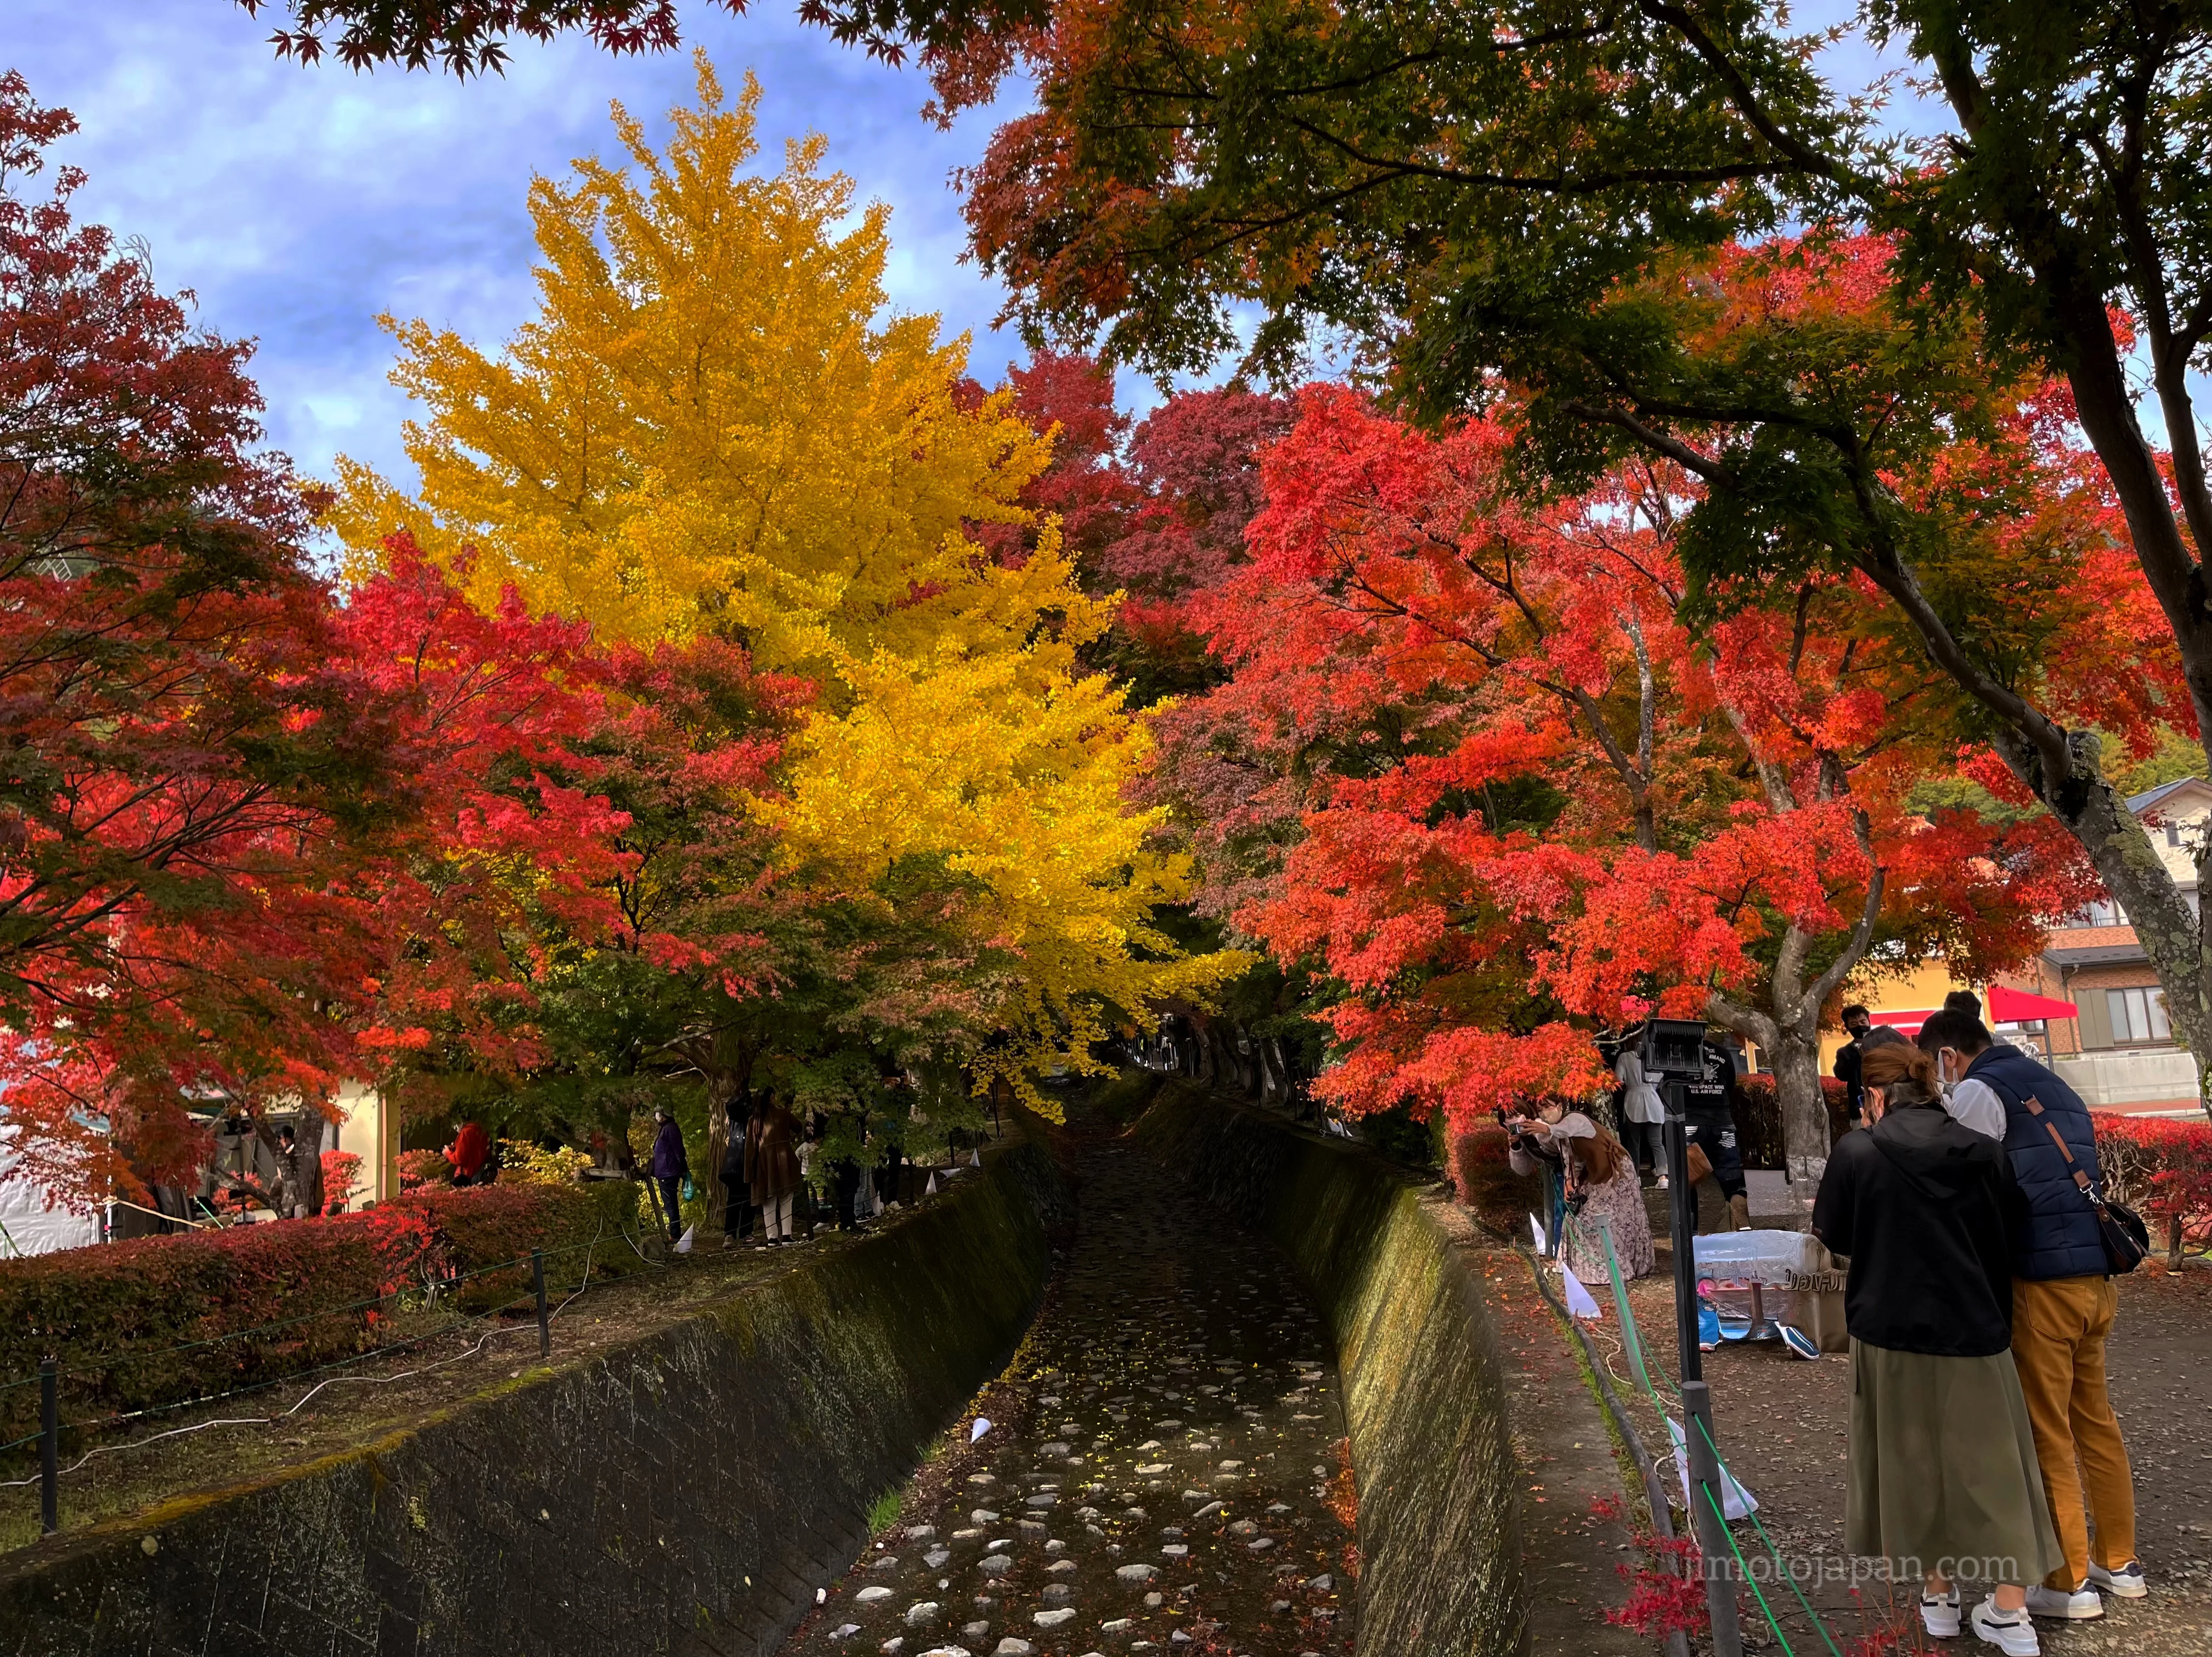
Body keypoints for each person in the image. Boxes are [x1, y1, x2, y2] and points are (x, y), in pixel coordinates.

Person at [1811, 1041, 2061, 1654]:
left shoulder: (1857, 1151)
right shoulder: (1985, 1151)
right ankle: (2010, 1611)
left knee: (1910, 1464)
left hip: (1888, 1332)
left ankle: (1939, 1594)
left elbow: (1836, 1236)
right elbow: (2013, 1227)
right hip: (1977, 1328)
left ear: (1874, 1096)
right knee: (1997, 1469)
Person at [1915, 1008, 2144, 1620]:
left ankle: (2068, 1581)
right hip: (2095, 1277)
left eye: (1935, 1067)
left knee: (2047, 1431)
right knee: (2095, 1421)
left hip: (2040, 1283)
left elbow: (1963, 1182)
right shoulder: (2056, 1084)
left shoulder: (1978, 1091)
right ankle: (2119, 1560)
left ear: (1947, 1056)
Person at [1556, 1123, 1656, 1283]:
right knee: (1574, 1216)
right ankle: (1579, 1267)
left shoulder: (1605, 1155)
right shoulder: (1580, 1149)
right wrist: (1572, 1182)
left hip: (1615, 1179)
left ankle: (1611, 1269)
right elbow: (1577, 1164)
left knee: (1596, 1220)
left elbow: (1600, 1180)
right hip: (1596, 1177)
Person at [1683, 1036, 1749, 1232]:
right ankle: (1741, 1225)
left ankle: (1691, 1230)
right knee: (1732, 1179)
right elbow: (1730, 1085)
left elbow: (1669, 1088)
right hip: (1723, 1122)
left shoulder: (1680, 1054)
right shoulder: (1724, 1053)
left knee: (1688, 1179)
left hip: (1692, 1123)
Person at [745, 1096, 803, 1245]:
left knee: (768, 1200)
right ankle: (787, 1235)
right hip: (784, 1161)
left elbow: (750, 1149)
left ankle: (772, 1237)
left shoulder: (755, 1119)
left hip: (764, 1164)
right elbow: (799, 1127)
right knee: (786, 1198)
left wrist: (749, 1174)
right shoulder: (783, 1113)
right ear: (772, 1096)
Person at [1613, 1033, 1668, 1186]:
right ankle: (1663, 1177)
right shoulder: (1654, 1057)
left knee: (1633, 1143)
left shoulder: (1624, 1057)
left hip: (1633, 1101)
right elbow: (1661, 1079)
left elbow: (1618, 1080)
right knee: (1657, 1143)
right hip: (1653, 1101)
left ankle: (1635, 1177)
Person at [646, 1107, 689, 1244]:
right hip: (666, 1171)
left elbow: (678, 1149)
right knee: (669, 1203)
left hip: (669, 1172)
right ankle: (674, 1231)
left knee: (670, 1203)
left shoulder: (670, 1128)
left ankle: (675, 1234)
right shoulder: (666, 1129)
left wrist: (683, 1166)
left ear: (663, 1115)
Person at [719, 1096, 754, 1249]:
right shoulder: (737, 1119)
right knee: (735, 1201)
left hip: (747, 1163)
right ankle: (731, 1234)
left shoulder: (750, 1119)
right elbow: (731, 1107)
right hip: (736, 1166)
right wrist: (744, 1094)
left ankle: (745, 1234)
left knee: (748, 1201)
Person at [1836, 1005, 1874, 1123]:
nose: (1860, 1026)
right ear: (1847, 1028)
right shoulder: (1845, 1053)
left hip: (1886, 1108)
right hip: (1859, 1110)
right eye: (1854, 1024)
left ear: (1869, 1022)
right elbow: (1841, 1075)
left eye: (1863, 1022)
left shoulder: (1881, 1045)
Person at [445, 1119, 492, 1187]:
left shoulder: (465, 1133)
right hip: (480, 1173)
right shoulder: (480, 1130)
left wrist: (447, 1153)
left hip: (467, 1175)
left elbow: (459, 1159)